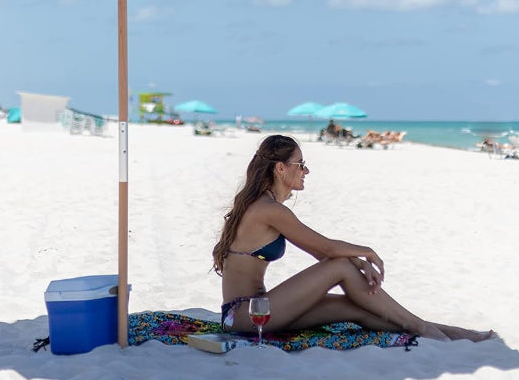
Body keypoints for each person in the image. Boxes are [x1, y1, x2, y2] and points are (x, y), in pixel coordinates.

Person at [212, 134, 495, 342]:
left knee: (354, 308)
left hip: (262, 308)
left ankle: (445, 332)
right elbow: (327, 248)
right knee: (341, 267)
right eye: (301, 163)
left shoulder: (268, 206)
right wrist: (367, 253)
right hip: (243, 316)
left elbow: (319, 253)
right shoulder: (269, 210)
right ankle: (424, 329)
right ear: (280, 168)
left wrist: (359, 265)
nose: (306, 170)